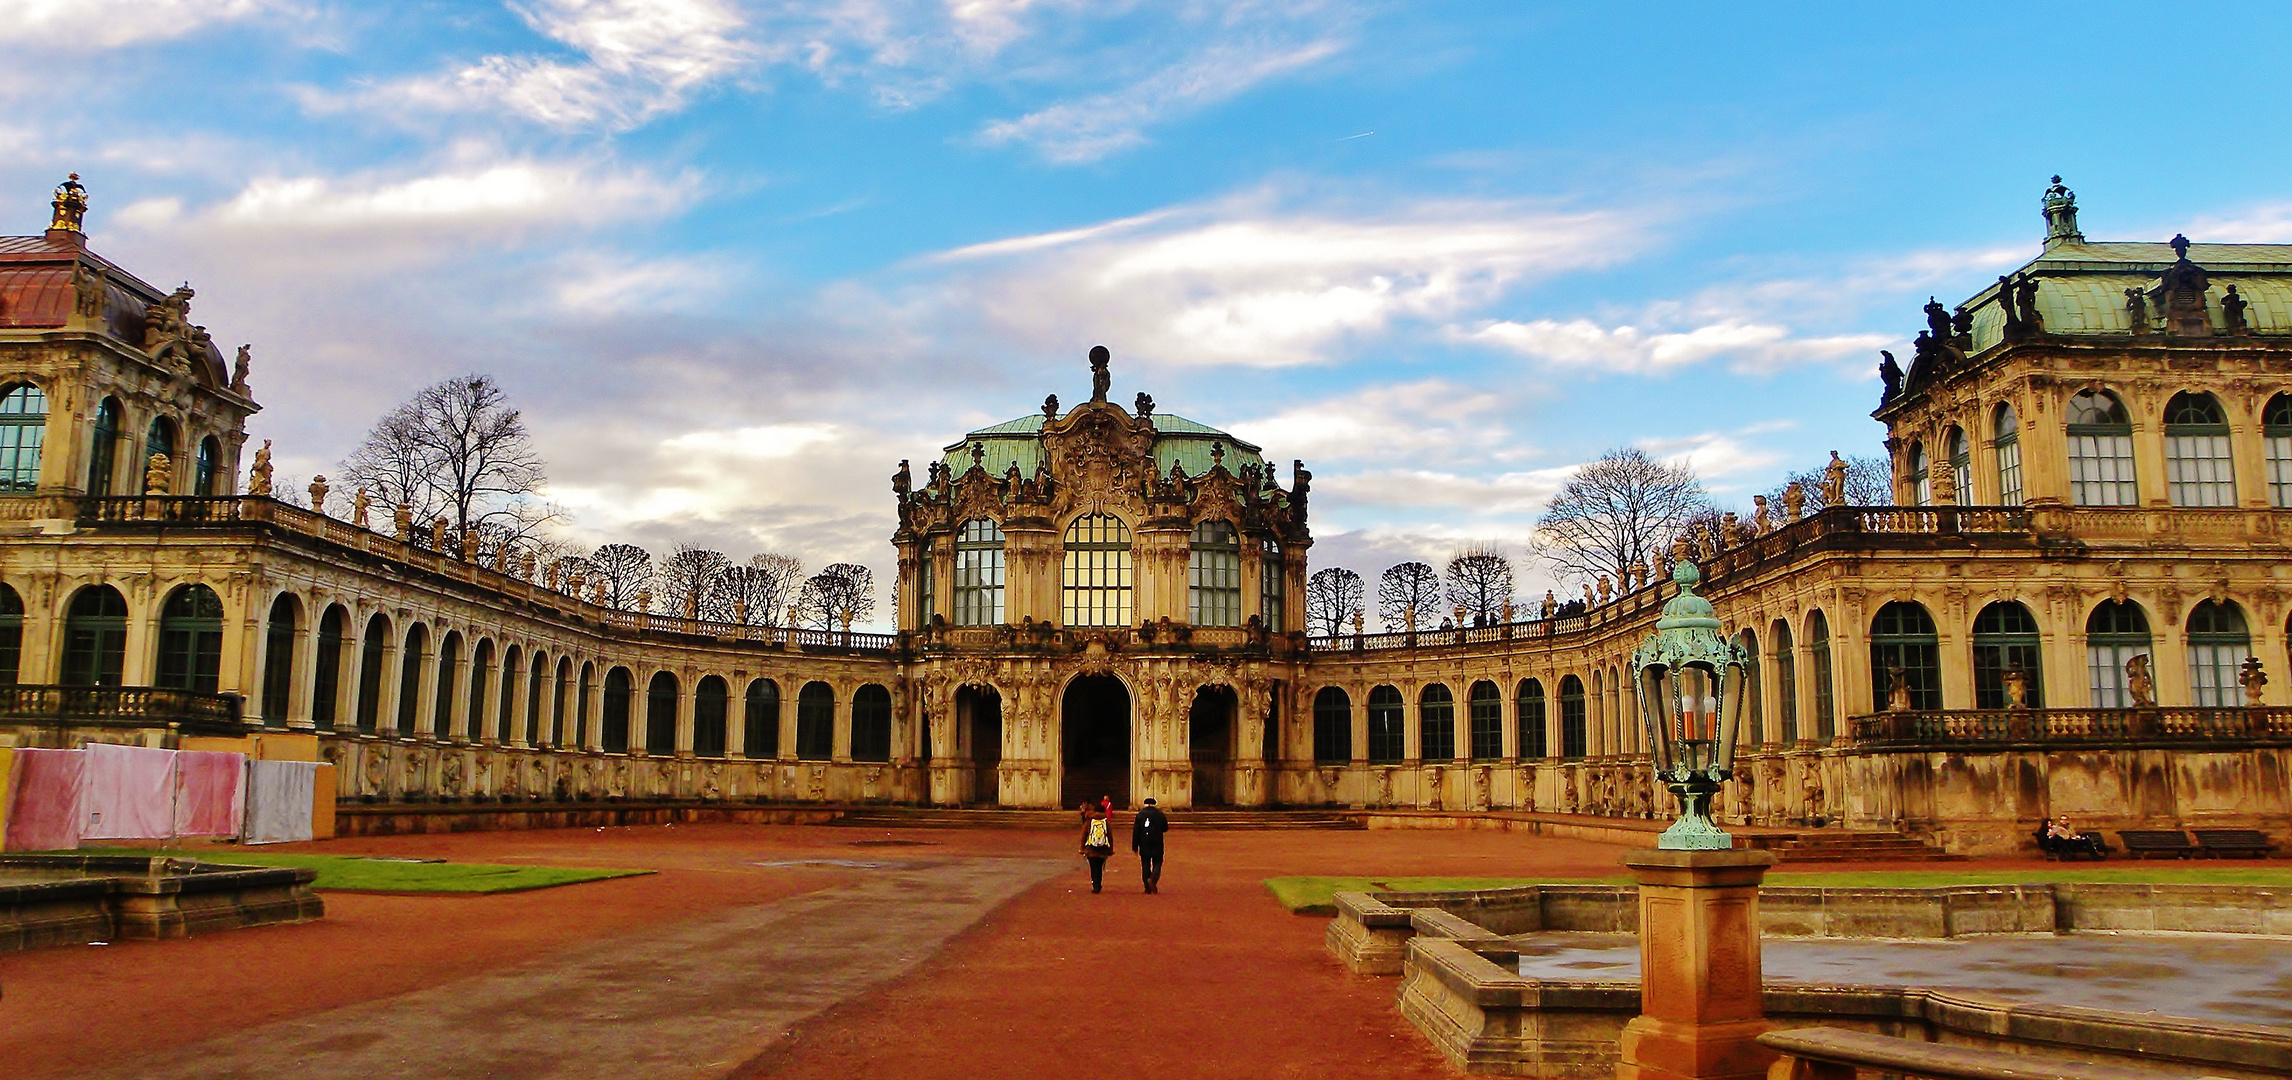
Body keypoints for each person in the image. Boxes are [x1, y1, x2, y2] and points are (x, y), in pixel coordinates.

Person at [1132, 796, 1169, 894]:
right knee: (1157, 862)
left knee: (1145, 865)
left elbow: (1136, 831)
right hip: (1157, 842)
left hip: (1144, 843)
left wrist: (1134, 846)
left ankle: (1147, 887)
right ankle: (1153, 878)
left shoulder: (1140, 815)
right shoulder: (1160, 814)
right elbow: (1165, 828)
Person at [1079, 804, 1114, 893]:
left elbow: (1084, 835)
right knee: (1100, 867)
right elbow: (1110, 836)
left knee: (1093, 867)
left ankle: (1095, 884)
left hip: (1091, 848)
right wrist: (1110, 849)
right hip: (1103, 849)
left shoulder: (1089, 821)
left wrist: (1082, 848)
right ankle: (1099, 883)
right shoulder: (1106, 822)